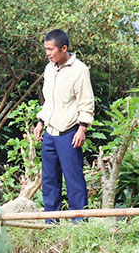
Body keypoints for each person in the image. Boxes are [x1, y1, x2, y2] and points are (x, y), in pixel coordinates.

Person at [33, 29, 94, 223]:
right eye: (46, 49)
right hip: (50, 132)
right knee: (50, 180)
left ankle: (79, 223)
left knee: (73, 179)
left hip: (69, 132)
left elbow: (86, 101)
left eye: (51, 49)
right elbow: (48, 101)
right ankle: (51, 222)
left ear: (64, 48)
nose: (48, 53)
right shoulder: (49, 68)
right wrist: (40, 122)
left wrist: (82, 128)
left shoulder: (79, 70)